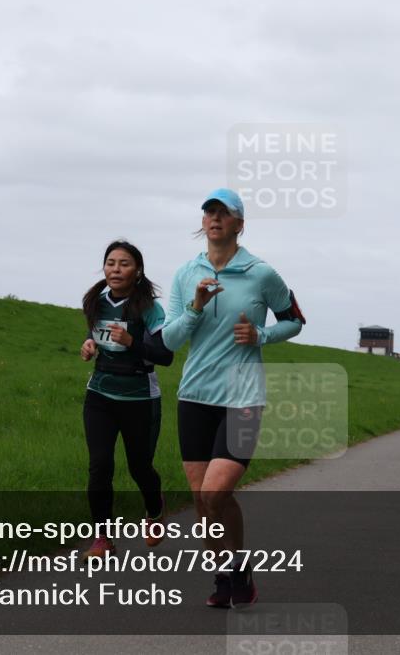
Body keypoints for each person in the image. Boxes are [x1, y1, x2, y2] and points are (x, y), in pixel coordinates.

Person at [162, 188, 305, 609]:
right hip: (195, 395)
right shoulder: (186, 273)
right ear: (202, 221)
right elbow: (168, 339)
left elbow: (295, 320)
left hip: (243, 396)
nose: (215, 218)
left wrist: (261, 334)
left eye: (224, 213)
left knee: (216, 493)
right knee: (200, 498)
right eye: (209, 212)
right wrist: (195, 307)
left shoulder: (261, 273)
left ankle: (235, 571)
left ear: (240, 224)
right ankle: (231, 576)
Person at [79, 240, 174, 559]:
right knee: (100, 466)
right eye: (110, 262)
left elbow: (165, 355)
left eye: (124, 263)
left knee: (140, 467)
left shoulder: (149, 308)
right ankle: (102, 538)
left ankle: (154, 508)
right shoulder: (94, 300)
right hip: (100, 395)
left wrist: (133, 342)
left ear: (138, 271)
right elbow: (98, 336)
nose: (115, 269)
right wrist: (90, 345)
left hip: (140, 399)